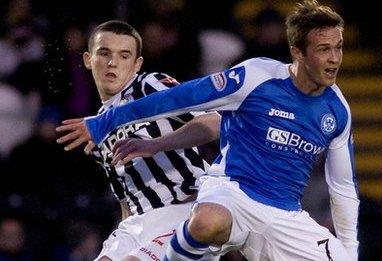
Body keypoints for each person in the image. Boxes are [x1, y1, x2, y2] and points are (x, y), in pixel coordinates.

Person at [57, 1, 359, 260]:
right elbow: (126, 197)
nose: (334, 58)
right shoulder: (256, 77)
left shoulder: (337, 111)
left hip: (242, 210)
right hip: (218, 199)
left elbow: (343, 188)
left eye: (338, 48)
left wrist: (349, 250)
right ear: (298, 52)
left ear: (137, 63)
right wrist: (103, 123)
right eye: (323, 49)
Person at [56, 20, 221, 261]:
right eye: (104, 53)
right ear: (88, 59)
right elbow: (126, 198)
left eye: (124, 56)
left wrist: (157, 145)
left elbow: (214, 122)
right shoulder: (96, 128)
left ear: (137, 64)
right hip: (138, 224)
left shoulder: (149, 86)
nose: (113, 63)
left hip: (185, 212)